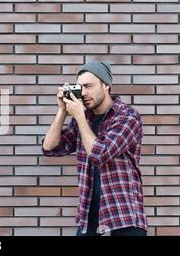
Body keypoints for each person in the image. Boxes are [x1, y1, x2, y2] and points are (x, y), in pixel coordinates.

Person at [41, 61, 148, 236]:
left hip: (123, 219)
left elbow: (100, 154)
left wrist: (79, 116)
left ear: (106, 85)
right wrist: (62, 111)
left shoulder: (127, 116)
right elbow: (50, 148)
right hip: (89, 221)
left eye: (89, 86)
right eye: (80, 87)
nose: (83, 93)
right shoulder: (83, 118)